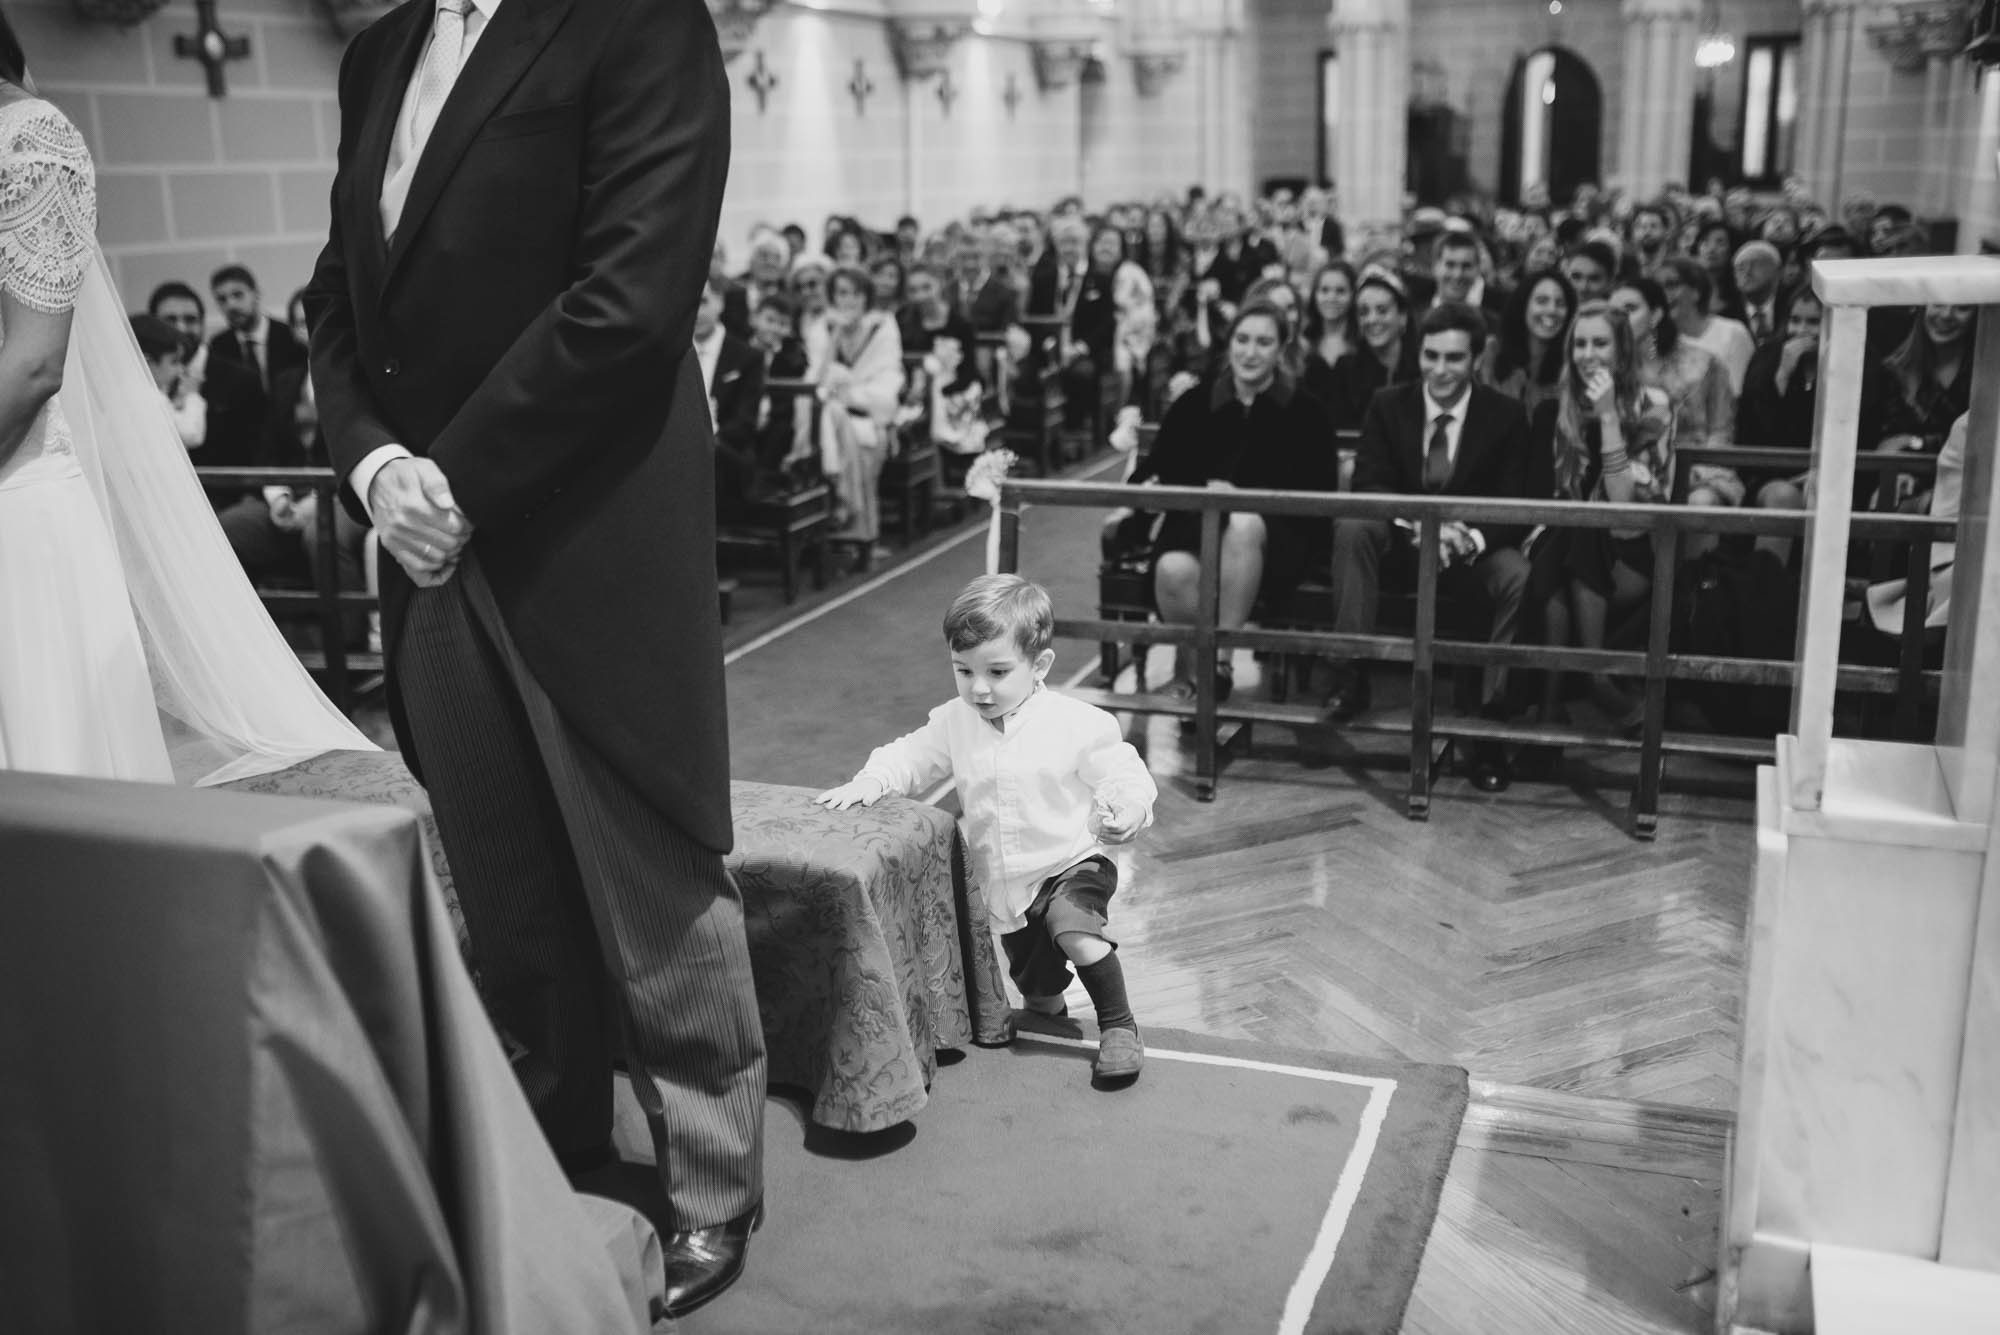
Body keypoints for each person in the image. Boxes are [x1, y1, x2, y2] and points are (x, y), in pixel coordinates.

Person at [305, 0, 766, 1316]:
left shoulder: (637, 23)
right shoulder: (377, 54)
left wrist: (455, 475)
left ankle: (713, 1183)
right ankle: (552, 1141)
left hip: (584, 523)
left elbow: (630, 299)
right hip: (431, 535)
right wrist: (377, 465)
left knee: (649, 872)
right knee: (503, 882)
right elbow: (337, 299)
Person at [0, 26, 369, 785]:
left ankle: (353, 659)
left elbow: (35, 363)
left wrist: (280, 487)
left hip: (23, 495)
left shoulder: (27, 141)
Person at [815, 574, 1159, 1083]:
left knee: (1074, 930)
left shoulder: (1078, 723)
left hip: (1073, 861)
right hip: (1006, 884)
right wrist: (874, 778)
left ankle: (1120, 1026)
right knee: (1037, 988)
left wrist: (1130, 810)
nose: (979, 688)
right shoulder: (956, 721)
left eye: (998, 672)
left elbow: (1126, 775)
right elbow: (910, 756)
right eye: (963, 670)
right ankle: (1051, 1022)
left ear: (1039, 666)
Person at [1323, 302, 1534, 793]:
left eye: (1454, 358)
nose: (1440, 369)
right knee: (1353, 527)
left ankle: (1489, 721)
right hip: (1403, 541)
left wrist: (1469, 536)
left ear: (1476, 360)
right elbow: (1370, 482)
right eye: (1431, 355)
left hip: (1472, 549)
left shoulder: (1504, 415)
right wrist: (1423, 523)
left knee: (1519, 576)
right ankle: (1348, 672)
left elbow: (1514, 501)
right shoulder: (1387, 402)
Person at [1129, 301, 1341, 703]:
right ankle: (1195, 672)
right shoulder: (1194, 402)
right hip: (1196, 529)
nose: (1250, 352)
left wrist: (1246, 498)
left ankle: (1218, 666)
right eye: (1242, 340)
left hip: (1277, 538)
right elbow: (1158, 469)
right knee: (1172, 569)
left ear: (1281, 350)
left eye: (1264, 342)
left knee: (1243, 523)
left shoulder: (1306, 411)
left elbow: (1319, 493)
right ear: (1229, 345)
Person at [1527, 302, 1678, 734]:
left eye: (1600, 343)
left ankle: (1551, 706)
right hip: (1563, 543)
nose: (1588, 354)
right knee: (1574, 534)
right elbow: (1548, 499)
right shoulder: (1556, 409)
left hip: (1630, 551)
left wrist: (1610, 415)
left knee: (1585, 528)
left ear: (1623, 350)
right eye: (1579, 344)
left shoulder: (1654, 406)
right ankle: (1593, 681)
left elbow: (1621, 502)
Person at [817, 263, 905, 555]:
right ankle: (847, 530)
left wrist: (850, 395)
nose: (848, 301)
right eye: (841, 293)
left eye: (855, 293)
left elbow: (888, 380)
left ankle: (861, 532)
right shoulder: (823, 327)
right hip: (833, 416)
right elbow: (817, 378)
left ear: (866, 297)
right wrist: (835, 336)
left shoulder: (883, 327)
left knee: (858, 435)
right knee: (835, 424)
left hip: (870, 412)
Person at [1478, 269, 1575, 423]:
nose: (1552, 310)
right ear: (1523, 305)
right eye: (1542, 301)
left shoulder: (1571, 366)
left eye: (1560, 304)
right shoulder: (1491, 353)